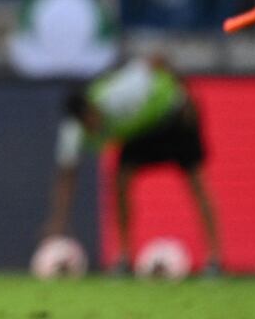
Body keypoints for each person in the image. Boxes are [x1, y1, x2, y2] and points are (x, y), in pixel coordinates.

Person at [41, 55, 222, 274]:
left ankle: (214, 258)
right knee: (120, 181)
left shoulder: (116, 93)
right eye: (86, 124)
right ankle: (124, 257)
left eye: (92, 118)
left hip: (174, 115)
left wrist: (187, 92)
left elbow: (157, 58)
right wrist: (57, 222)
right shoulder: (73, 132)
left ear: (93, 106)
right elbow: (66, 176)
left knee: (197, 184)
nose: (93, 126)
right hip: (140, 132)